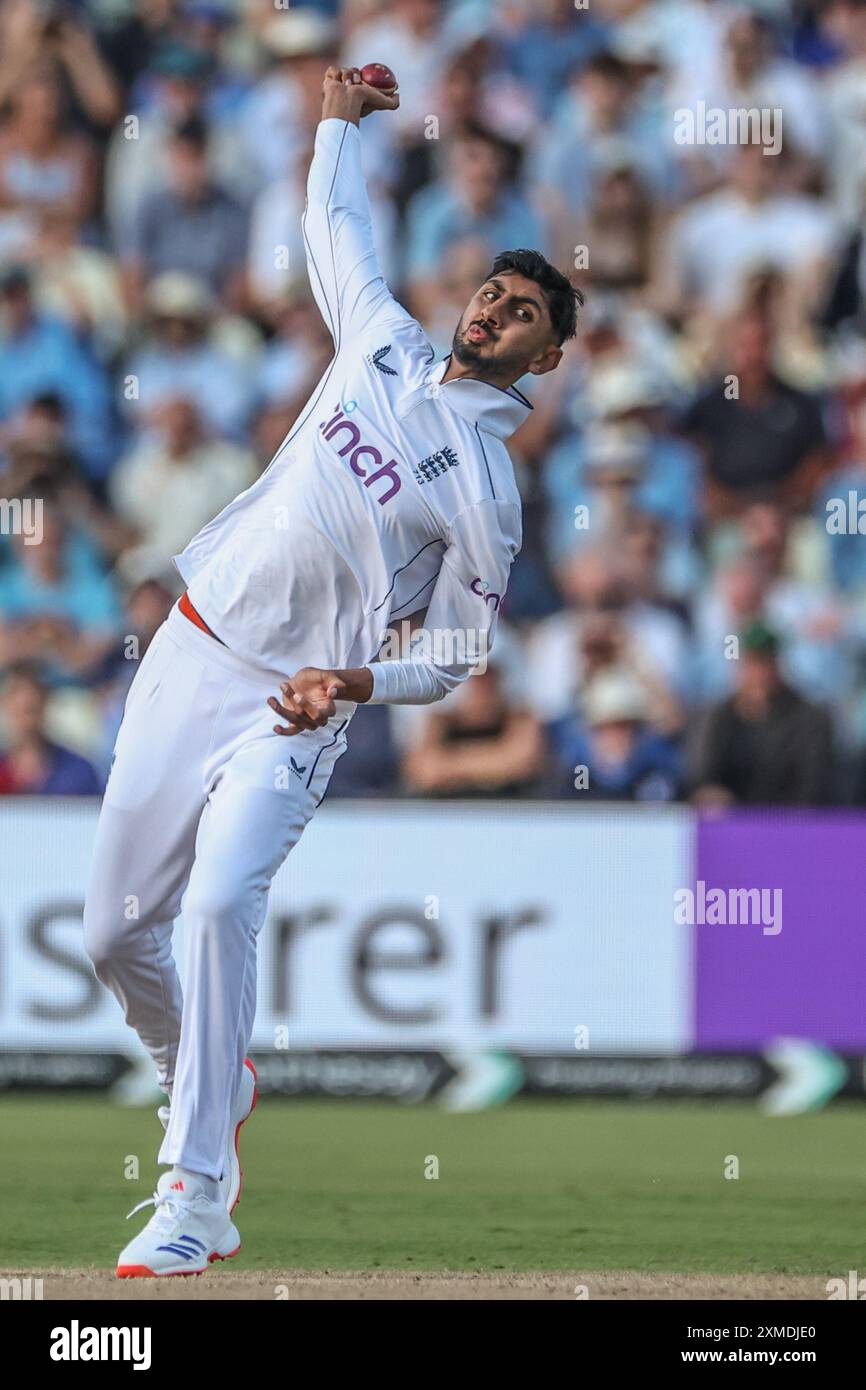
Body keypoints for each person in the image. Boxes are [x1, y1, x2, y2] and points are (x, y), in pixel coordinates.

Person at [82, 64, 580, 1278]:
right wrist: (333, 125)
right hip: (195, 644)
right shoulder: (382, 341)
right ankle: (200, 1068)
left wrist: (351, 688)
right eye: (492, 292)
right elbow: (331, 225)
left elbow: (458, 655)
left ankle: (195, 1194)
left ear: (547, 358)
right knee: (108, 934)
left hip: (292, 708)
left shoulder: (486, 492)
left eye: (522, 314)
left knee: (212, 905)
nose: (494, 312)